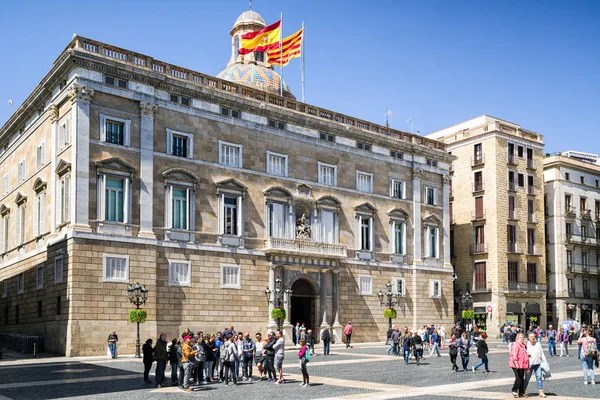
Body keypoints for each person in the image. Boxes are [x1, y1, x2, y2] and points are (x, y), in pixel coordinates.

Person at [525, 332, 547, 398]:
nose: (533, 337)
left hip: (538, 363)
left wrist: (545, 362)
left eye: (534, 336)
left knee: (539, 377)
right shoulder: (526, 344)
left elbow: (542, 353)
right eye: (531, 336)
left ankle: (541, 391)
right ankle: (523, 391)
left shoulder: (538, 344)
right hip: (529, 364)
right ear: (528, 338)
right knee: (527, 378)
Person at [509, 333, 529, 398]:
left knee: (522, 379)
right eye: (521, 337)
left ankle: (521, 392)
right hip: (515, 364)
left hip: (522, 364)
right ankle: (514, 390)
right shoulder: (516, 345)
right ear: (517, 338)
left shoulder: (524, 345)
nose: (522, 338)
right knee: (518, 378)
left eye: (523, 337)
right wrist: (516, 362)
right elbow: (514, 354)